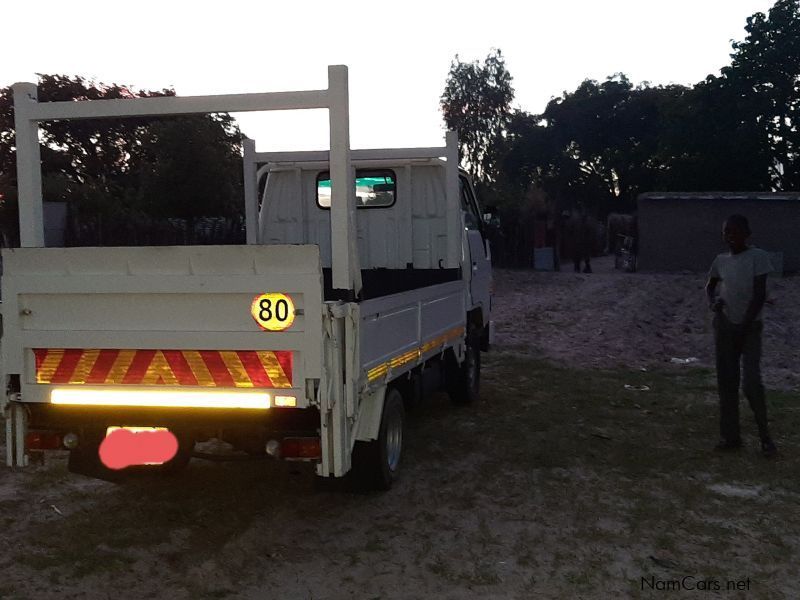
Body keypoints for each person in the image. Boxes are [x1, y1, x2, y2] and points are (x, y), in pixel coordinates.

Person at [705, 214, 777, 457]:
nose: (729, 236)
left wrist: (744, 325)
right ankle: (730, 437)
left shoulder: (759, 258)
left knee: (751, 383)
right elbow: (711, 286)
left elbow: (759, 295)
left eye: (734, 232)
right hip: (725, 327)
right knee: (726, 383)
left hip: (749, 329)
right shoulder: (720, 261)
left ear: (747, 234)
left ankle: (765, 437)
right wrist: (713, 302)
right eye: (726, 232)